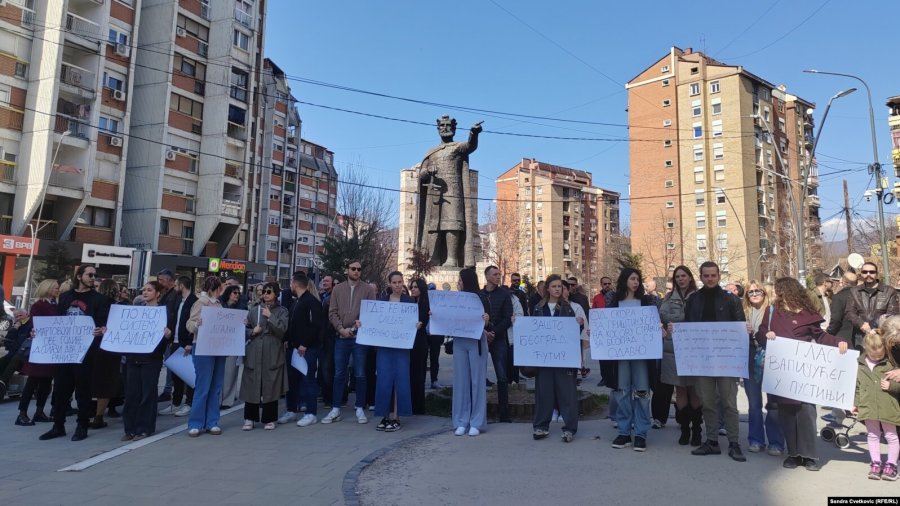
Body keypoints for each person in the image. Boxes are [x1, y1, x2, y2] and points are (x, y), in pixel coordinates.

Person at [758, 277, 848, 471]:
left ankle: (809, 455)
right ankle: (793, 454)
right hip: (782, 370)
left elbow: (820, 336)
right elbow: (760, 333)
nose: (775, 295)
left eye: (778, 291)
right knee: (787, 413)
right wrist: (767, 335)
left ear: (788, 291)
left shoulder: (808, 313)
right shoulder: (773, 312)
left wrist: (838, 342)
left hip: (804, 371)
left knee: (806, 412)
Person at [39, 265, 111, 442]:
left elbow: (105, 324)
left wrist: (102, 330)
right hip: (65, 351)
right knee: (62, 390)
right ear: (79, 277)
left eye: (95, 275)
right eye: (90, 275)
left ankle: (82, 425)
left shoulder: (100, 299)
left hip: (86, 352)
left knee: (83, 391)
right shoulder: (65, 297)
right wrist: (39, 333)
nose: (93, 278)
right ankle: (58, 425)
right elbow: (56, 322)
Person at [684, 261, 746, 461]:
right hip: (702, 360)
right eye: (706, 275)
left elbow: (740, 327)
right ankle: (711, 441)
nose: (710, 279)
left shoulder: (731, 300)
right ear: (700, 277)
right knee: (708, 403)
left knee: (729, 403)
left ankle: (734, 443)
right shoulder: (693, 300)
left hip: (727, 360)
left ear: (719, 276)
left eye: (713, 275)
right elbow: (687, 327)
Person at [607, 268, 658, 452]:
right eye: (632, 279)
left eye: (638, 279)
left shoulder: (647, 302)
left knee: (642, 392)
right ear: (624, 281)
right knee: (622, 392)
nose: (635, 282)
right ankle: (623, 432)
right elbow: (606, 326)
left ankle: (641, 433)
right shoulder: (614, 303)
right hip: (620, 356)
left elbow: (654, 324)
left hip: (642, 356)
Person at [323, 259, 377, 424]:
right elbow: (332, 312)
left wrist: (354, 328)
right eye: (353, 269)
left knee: (360, 374)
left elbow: (370, 311)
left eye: (359, 269)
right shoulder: (338, 289)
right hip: (341, 337)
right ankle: (336, 408)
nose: (356, 272)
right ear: (347, 270)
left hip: (359, 338)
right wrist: (340, 329)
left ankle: (360, 407)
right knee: (339, 373)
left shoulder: (368, 289)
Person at [531, 275, 583, 443]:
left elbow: (573, 334)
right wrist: (517, 323)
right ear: (547, 288)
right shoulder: (538, 308)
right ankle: (541, 426)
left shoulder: (569, 309)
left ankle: (569, 428)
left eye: (560, 286)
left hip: (564, 359)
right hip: (544, 358)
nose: (557, 289)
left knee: (567, 394)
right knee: (544, 393)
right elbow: (532, 330)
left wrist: (579, 324)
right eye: (554, 286)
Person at [122, 281, 172, 441]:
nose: (145, 292)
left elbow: (166, 339)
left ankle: (144, 427)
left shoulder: (164, 312)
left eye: (149, 290)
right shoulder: (135, 312)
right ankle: (129, 428)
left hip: (152, 359)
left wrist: (167, 335)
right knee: (131, 394)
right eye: (143, 290)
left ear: (158, 293)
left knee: (148, 394)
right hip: (133, 357)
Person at [659, 266, 702, 446]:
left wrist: (676, 322)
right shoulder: (669, 298)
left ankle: (697, 430)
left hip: (694, 349)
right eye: (677, 277)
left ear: (690, 278)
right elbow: (662, 316)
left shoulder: (699, 297)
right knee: (680, 390)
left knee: (694, 389)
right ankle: (684, 429)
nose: (681, 279)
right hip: (673, 350)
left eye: (684, 276)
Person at [742, 281, 785, 456]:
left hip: (770, 356)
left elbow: (784, 331)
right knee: (754, 403)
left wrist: (773, 334)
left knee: (773, 403)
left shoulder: (774, 310)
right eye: (750, 292)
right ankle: (755, 439)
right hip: (749, 356)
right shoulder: (743, 312)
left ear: (764, 292)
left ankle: (776, 442)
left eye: (757, 291)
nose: (754, 294)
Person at [371, 272, 417, 432]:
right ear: (389, 284)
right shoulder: (381, 302)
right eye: (394, 282)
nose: (398, 285)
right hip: (384, 347)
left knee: (400, 381)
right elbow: (373, 322)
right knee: (383, 380)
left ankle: (396, 416)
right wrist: (362, 322)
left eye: (400, 282)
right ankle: (385, 415)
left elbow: (414, 324)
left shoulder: (410, 302)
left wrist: (416, 326)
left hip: (402, 347)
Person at [240, 282, 289, 431]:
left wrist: (271, 317)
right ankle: (250, 417)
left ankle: (269, 418)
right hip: (254, 350)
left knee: (271, 384)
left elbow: (283, 330)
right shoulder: (253, 310)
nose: (266, 294)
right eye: (264, 292)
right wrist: (251, 332)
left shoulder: (282, 311)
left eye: (269, 291)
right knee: (252, 383)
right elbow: (244, 330)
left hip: (272, 351)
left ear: (275, 294)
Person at [854, 329, 900, 481]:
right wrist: (855, 403)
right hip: (869, 405)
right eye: (874, 356)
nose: (877, 357)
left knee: (891, 436)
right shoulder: (860, 364)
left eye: (880, 355)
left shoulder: (891, 363)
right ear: (866, 350)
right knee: (873, 435)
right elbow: (857, 386)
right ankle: (875, 463)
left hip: (888, 406)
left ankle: (891, 465)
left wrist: (891, 386)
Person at [279, 272, 324, 427]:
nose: (290, 286)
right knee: (292, 380)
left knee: (308, 379)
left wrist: (305, 343)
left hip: (307, 349)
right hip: (293, 348)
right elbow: (291, 324)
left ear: (296, 284)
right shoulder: (296, 302)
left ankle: (311, 413)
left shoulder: (312, 302)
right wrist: (286, 339)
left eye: (291, 283)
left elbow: (316, 325)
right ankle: (291, 409)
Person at [185, 276, 227, 437]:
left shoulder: (218, 303)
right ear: (216, 288)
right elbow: (189, 323)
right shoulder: (201, 302)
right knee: (203, 386)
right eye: (220, 287)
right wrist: (197, 325)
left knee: (215, 386)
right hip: (203, 347)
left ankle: (212, 422)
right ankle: (196, 423)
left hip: (217, 347)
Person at [452, 268, 491, 437]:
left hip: (476, 342)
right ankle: (461, 421)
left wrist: (487, 321)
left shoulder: (481, 298)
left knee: (477, 382)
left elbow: (490, 323)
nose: (458, 283)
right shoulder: (454, 299)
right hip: (459, 341)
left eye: (460, 280)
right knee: (461, 382)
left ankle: (477, 421)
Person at [15, 279, 58, 426]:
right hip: (40, 348)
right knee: (33, 382)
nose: (57, 290)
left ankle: (39, 411)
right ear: (47, 289)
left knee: (46, 382)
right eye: (54, 287)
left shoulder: (54, 305)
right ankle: (22, 413)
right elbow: (36, 324)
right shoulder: (39, 305)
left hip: (50, 349)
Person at [158, 276, 196, 417]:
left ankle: (189, 403)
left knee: (188, 374)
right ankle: (176, 402)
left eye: (176, 285)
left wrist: (189, 342)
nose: (174, 288)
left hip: (185, 342)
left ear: (181, 285)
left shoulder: (194, 301)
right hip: (174, 340)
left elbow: (194, 323)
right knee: (175, 375)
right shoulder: (179, 300)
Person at [90, 279, 124, 430]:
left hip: (93, 346)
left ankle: (89, 411)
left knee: (92, 379)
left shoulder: (93, 303)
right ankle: (99, 415)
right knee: (106, 382)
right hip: (111, 348)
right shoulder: (119, 307)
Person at [482, 266, 512, 423]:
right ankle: (480, 412)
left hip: (499, 339)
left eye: (499, 274)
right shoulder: (479, 295)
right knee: (478, 375)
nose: (498, 276)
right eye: (495, 274)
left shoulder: (504, 295)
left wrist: (494, 332)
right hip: (481, 338)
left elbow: (508, 318)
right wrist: (484, 332)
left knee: (502, 376)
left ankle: (504, 413)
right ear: (486, 276)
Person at [845, 262, 899, 349]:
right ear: (861, 273)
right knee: (862, 361)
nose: (868, 274)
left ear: (877, 273)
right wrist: (861, 324)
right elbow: (849, 312)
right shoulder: (854, 291)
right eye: (865, 272)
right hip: (860, 335)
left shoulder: (889, 291)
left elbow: (892, 314)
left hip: (882, 335)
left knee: (883, 361)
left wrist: (876, 328)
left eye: (872, 272)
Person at [219, 284, 245, 409]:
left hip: (233, 344)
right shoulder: (220, 306)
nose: (237, 295)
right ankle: (217, 398)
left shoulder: (241, 308)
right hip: (219, 343)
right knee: (219, 372)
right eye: (234, 293)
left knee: (231, 372)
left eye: (238, 293)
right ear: (228, 294)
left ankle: (227, 400)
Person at [409, 278, 430, 415]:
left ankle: (418, 405)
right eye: (412, 287)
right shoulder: (411, 303)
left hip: (420, 341)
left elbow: (422, 322)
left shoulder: (425, 304)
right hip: (411, 341)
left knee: (419, 373)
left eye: (416, 287)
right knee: (411, 373)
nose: (413, 289)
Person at [318, 274, 337, 409]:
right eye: (323, 280)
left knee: (329, 368)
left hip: (331, 337)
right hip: (323, 337)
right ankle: (325, 395)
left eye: (327, 281)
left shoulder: (331, 299)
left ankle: (330, 398)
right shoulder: (321, 297)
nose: (324, 282)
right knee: (324, 368)